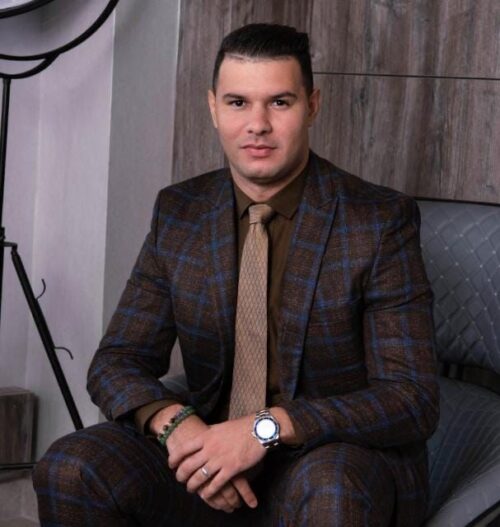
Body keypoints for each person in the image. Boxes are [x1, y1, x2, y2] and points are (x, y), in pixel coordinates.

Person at [33, 23, 439, 526]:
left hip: (327, 458)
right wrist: (178, 428)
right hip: (210, 448)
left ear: (312, 105)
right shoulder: (181, 211)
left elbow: (411, 397)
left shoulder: (377, 220)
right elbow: (117, 361)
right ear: (213, 108)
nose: (257, 125)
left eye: (280, 102)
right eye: (238, 103)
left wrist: (265, 429)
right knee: (71, 467)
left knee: (330, 489)